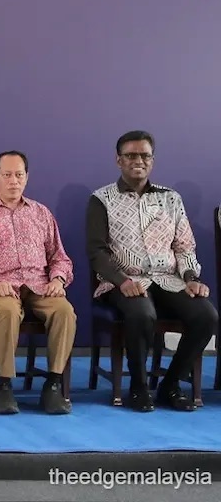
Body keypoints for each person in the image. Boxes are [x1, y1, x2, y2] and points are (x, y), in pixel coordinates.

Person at [87, 130, 217, 412]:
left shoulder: (171, 199)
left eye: (144, 155)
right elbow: (97, 252)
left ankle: (170, 384)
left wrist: (191, 278)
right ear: (118, 160)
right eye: (131, 155)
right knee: (142, 313)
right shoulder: (102, 199)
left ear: (152, 161)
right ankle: (138, 387)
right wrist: (122, 281)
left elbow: (184, 246)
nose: (138, 161)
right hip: (123, 281)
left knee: (207, 315)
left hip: (168, 279)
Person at [0, 150, 76, 415]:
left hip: (39, 284)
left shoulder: (41, 213)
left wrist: (58, 279)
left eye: (19, 175)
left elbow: (60, 257)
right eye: (7, 175)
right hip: (0, 286)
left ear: (27, 177)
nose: (14, 181)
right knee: (9, 311)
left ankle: (54, 384)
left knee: (64, 310)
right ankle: (4, 385)